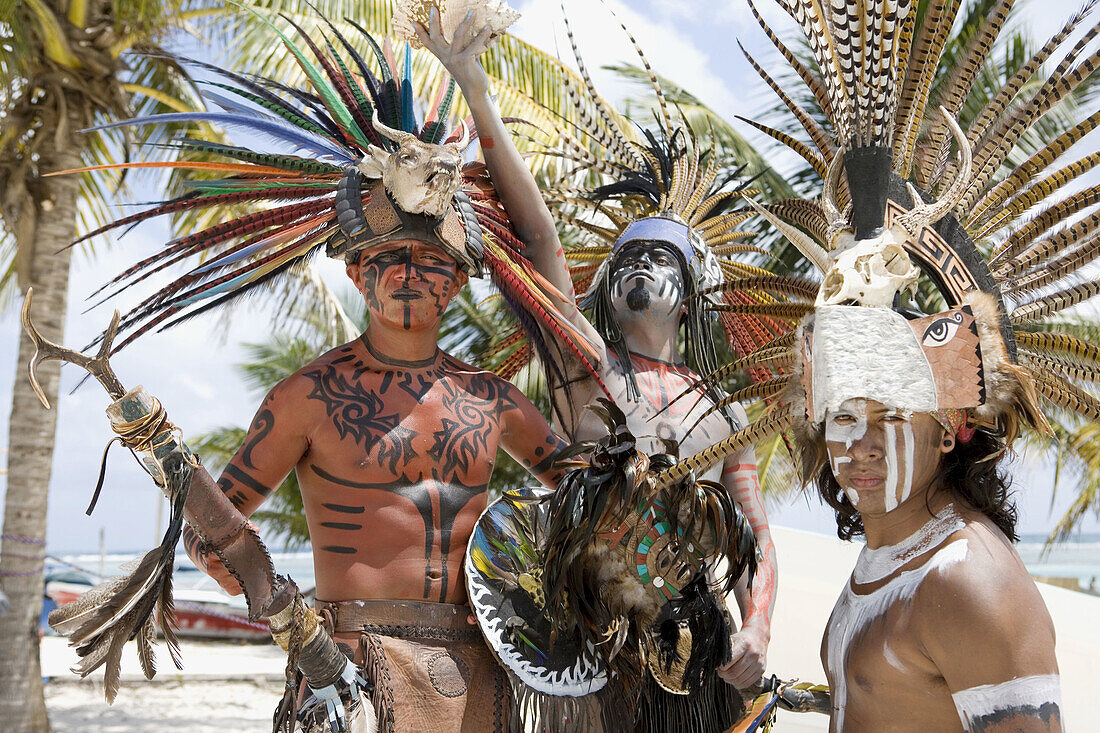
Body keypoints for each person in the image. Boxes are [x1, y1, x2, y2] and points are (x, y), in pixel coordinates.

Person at [39, 11, 590, 732]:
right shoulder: (309, 396)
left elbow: (588, 500)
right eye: (387, 261)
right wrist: (289, 618)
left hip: (478, 675)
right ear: (359, 275)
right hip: (348, 675)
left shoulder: (493, 401)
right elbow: (210, 535)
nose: (406, 276)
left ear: (456, 284)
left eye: (428, 264)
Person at [410, 7, 778, 730]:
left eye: (658, 257)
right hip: (589, 648)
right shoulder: (587, 366)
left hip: (695, 652)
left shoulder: (725, 413)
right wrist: (477, 90)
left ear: (693, 297)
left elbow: (756, 539)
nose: (638, 264)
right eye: (627, 258)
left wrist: (758, 627)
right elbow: (540, 239)